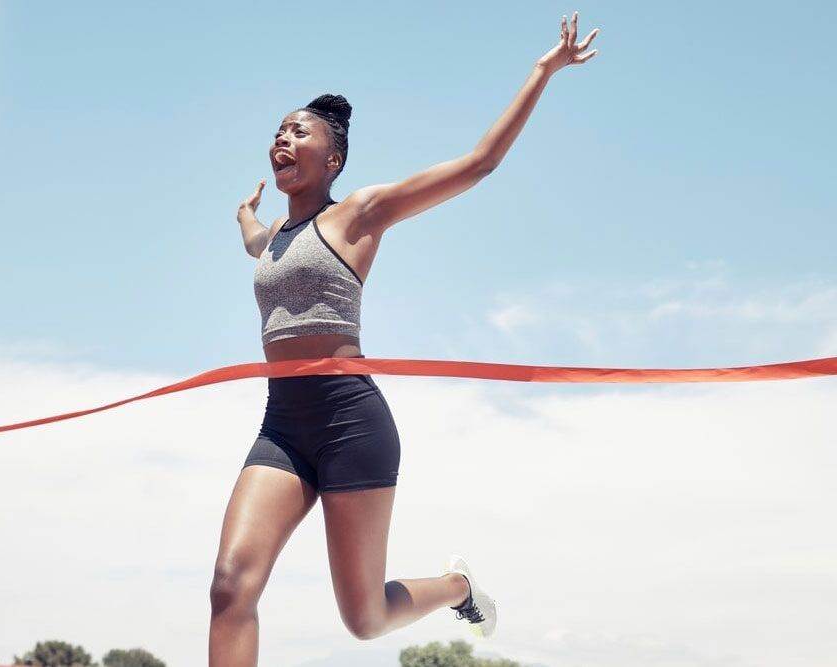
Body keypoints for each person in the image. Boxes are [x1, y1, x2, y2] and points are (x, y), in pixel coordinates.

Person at [212, 11, 600, 665]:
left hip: (348, 422)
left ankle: (457, 585)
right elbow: (257, 242)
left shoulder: (360, 213)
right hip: (282, 426)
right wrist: (247, 215)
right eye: (275, 131)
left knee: (364, 618)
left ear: (331, 157)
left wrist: (544, 71)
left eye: (296, 131)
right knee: (230, 587)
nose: (280, 138)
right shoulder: (273, 238)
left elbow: (480, 163)